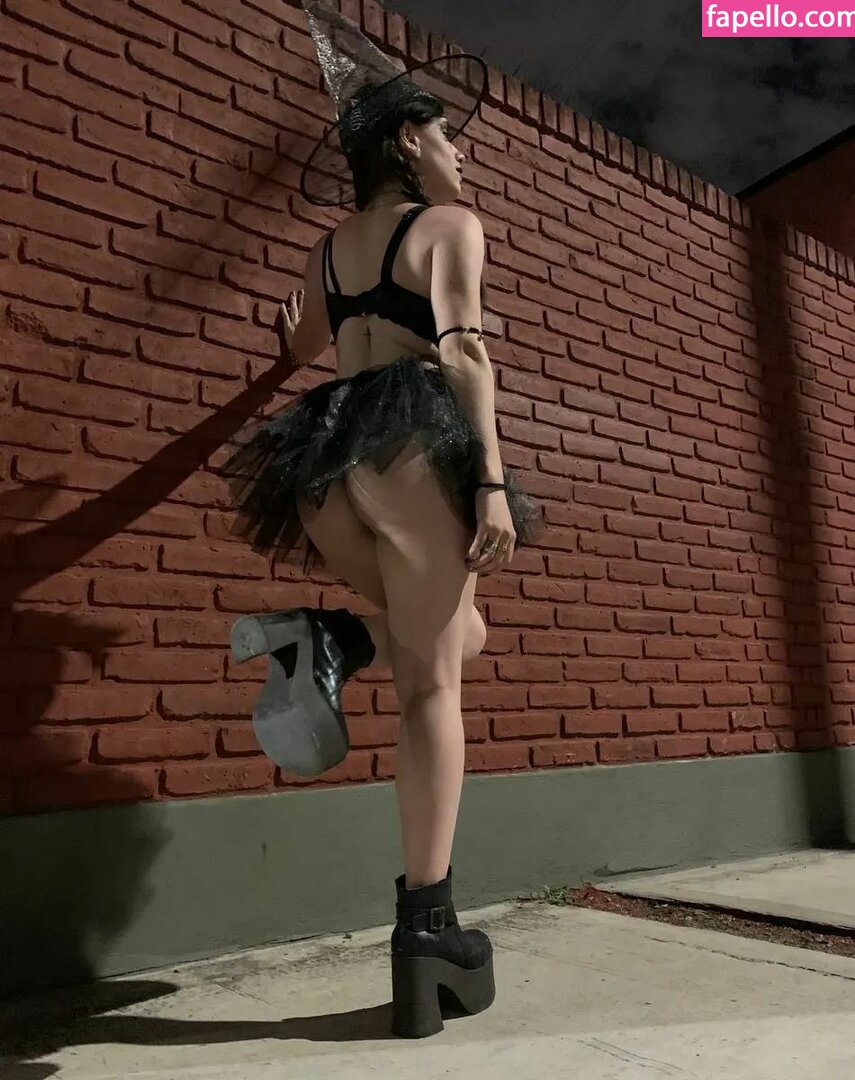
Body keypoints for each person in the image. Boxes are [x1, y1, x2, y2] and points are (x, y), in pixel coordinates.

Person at [222, 0, 543, 1039]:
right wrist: (490, 480)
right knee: (434, 690)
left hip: (322, 465)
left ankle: (329, 639)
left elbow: (303, 342)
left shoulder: (329, 249)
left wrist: (297, 329)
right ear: (409, 139)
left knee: (453, 636)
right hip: (412, 449)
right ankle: (428, 930)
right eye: (448, 136)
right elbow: (463, 350)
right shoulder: (450, 227)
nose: (461, 155)